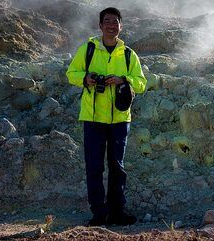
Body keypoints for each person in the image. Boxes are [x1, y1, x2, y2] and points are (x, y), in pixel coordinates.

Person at [66, 7, 147, 226]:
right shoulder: (88, 49)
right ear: (100, 25)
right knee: (94, 167)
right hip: (93, 119)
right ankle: (99, 213)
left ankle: (117, 211)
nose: (111, 25)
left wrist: (123, 79)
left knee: (117, 167)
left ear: (121, 26)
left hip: (120, 119)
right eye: (107, 21)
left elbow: (141, 83)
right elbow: (71, 74)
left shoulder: (129, 54)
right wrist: (86, 78)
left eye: (115, 21)